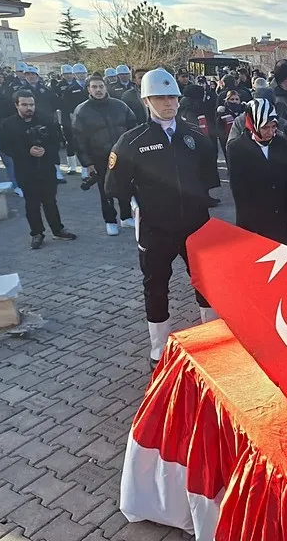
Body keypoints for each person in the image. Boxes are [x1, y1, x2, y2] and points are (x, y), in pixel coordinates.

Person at [105, 68, 219, 368]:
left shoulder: (195, 137)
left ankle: (214, 336)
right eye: (160, 97)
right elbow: (114, 186)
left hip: (195, 226)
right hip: (156, 229)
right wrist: (143, 204)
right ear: (146, 100)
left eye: (172, 97)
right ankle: (159, 347)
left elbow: (207, 178)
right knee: (156, 285)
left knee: (206, 282)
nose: (168, 103)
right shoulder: (132, 141)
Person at [227, 98, 287, 244]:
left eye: (274, 127)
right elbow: (239, 190)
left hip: (279, 217)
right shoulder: (236, 148)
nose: (271, 132)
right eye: (265, 127)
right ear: (253, 124)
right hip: (254, 220)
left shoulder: (280, 142)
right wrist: (246, 225)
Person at [0, 90, 77, 248]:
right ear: (17, 105)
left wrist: (46, 150)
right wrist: (26, 151)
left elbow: (57, 141)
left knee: (50, 201)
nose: (29, 108)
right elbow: (6, 147)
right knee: (32, 204)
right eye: (25, 105)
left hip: (46, 168)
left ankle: (57, 230)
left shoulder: (46, 120)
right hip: (25, 170)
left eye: (31, 104)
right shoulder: (8, 124)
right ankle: (36, 233)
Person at [72, 74, 137, 236]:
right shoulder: (82, 111)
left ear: (105, 87)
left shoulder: (120, 106)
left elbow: (133, 127)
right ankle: (110, 220)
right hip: (99, 158)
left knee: (125, 186)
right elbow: (78, 139)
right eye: (94, 87)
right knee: (105, 190)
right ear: (88, 89)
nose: (98, 90)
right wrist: (87, 163)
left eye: (100, 86)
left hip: (122, 155)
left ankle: (126, 216)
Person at [62, 63, 90, 178]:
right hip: (76, 120)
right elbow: (67, 107)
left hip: (90, 120)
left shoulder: (90, 86)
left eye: (83, 73)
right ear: (74, 75)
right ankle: (81, 168)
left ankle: (90, 168)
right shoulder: (70, 89)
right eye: (78, 74)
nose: (81, 76)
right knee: (77, 144)